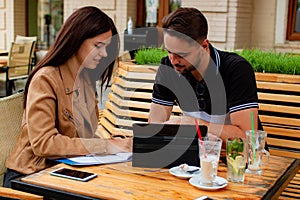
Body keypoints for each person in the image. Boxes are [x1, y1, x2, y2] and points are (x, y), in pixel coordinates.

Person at [4, 6, 132, 188]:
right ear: (76, 40)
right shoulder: (46, 78)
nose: (104, 54)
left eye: (107, 48)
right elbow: (44, 144)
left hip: (65, 173)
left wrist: (116, 143)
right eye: (98, 46)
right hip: (29, 177)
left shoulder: (85, 79)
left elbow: (81, 138)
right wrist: (106, 146)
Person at [149, 7, 261, 142]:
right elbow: (155, 127)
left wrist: (194, 125)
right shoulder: (168, 67)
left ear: (204, 47)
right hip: (195, 157)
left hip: (236, 159)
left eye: (181, 54)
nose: (173, 60)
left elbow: (246, 138)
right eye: (169, 51)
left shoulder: (236, 69)